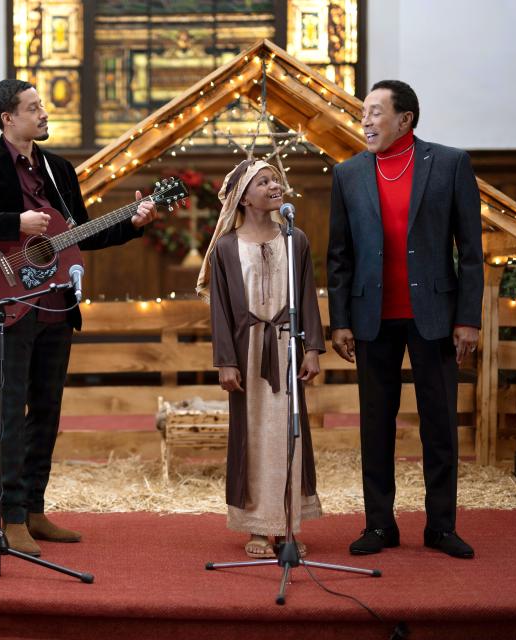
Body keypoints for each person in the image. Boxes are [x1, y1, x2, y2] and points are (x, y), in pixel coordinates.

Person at [0, 79, 157, 556]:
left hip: (57, 305)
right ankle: (10, 516)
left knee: (47, 412)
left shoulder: (58, 169)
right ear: (7, 119)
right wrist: (13, 223)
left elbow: (79, 235)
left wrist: (131, 224)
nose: (43, 113)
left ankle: (34, 510)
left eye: (42, 106)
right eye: (33, 108)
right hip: (10, 307)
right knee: (10, 413)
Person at [326, 80, 482, 559]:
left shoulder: (451, 164)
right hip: (372, 318)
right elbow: (339, 256)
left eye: (376, 112)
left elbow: (471, 254)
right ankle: (379, 526)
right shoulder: (347, 173)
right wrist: (340, 321)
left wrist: (468, 318)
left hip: (434, 317)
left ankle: (440, 526)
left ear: (406, 119)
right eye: (363, 113)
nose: (366, 121)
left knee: (439, 427)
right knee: (375, 426)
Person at [197, 159, 324, 558]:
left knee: (290, 433)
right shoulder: (226, 248)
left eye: (276, 179)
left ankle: (287, 526)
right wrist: (225, 360)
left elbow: (307, 297)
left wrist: (313, 350)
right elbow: (219, 309)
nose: (275, 185)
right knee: (252, 437)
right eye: (264, 181)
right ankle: (255, 525)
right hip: (247, 352)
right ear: (243, 197)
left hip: (286, 347)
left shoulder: (295, 239)